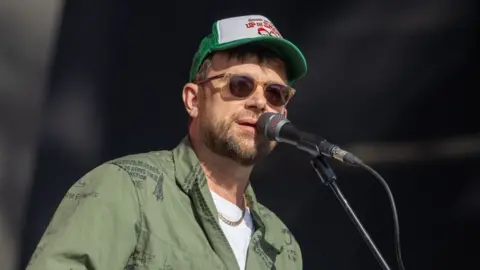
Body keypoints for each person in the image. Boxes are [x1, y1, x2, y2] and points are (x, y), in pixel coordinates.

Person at [26, 14, 308, 270]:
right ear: (193, 100)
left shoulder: (282, 246)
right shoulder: (125, 188)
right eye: (240, 85)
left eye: (275, 93)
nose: (259, 102)